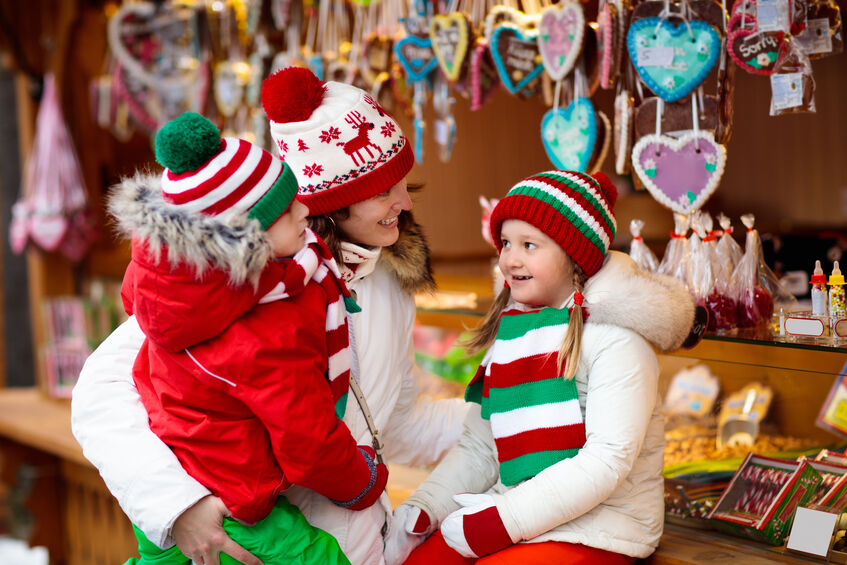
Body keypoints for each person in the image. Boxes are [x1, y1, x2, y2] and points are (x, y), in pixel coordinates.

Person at [71, 67, 469, 565]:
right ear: (329, 200)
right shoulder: (235, 289)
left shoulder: (390, 280)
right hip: (264, 543)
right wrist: (180, 507)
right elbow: (100, 395)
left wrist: (506, 414)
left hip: (361, 544)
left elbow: (396, 420)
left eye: (404, 183)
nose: (405, 203)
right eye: (382, 191)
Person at [110, 111, 389, 564]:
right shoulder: (264, 332)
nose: (303, 210)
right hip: (230, 497)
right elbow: (310, 443)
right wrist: (363, 482)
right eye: (284, 209)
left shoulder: (174, 285)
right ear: (245, 242)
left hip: (169, 474)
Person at [383, 170, 697, 565]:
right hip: (517, 510)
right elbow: (481, 446)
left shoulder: (619, 339)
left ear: (574, 256)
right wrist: (425, 506)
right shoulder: (516, 328)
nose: (510, 259)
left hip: (601, 529)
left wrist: (503, 521)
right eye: (506, 243)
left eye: (529, 245)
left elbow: (606, 460)